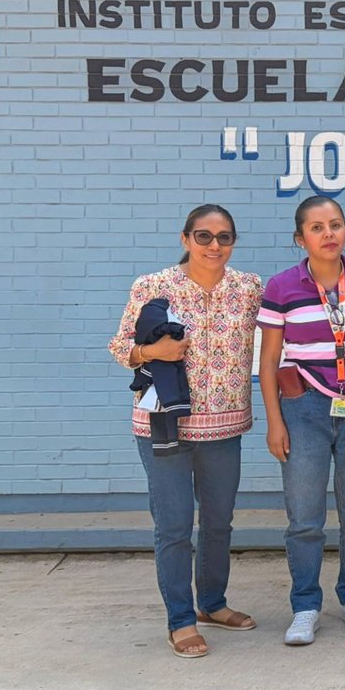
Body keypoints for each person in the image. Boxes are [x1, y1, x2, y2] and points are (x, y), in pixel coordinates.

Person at [108, 204, 263, 658]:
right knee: (175, 525)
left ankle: (211, 604)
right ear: (184, 239)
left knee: (218, 522)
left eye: (224, 237)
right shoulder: (153, 286)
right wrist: (150, 350)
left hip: (226, 424)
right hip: (163, 424)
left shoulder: (249, 288)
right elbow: (120, 346)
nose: (214, 246)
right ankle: (180, 619)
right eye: (204, 236)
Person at [257, 196, 345, 646]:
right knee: (305, 518)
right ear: (301, 238)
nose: (328, 233)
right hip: (305, 411)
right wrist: (275, 422)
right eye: (316, 227)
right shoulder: (281, 287)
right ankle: (305, 605)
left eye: (335, 224)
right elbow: (269, 359)